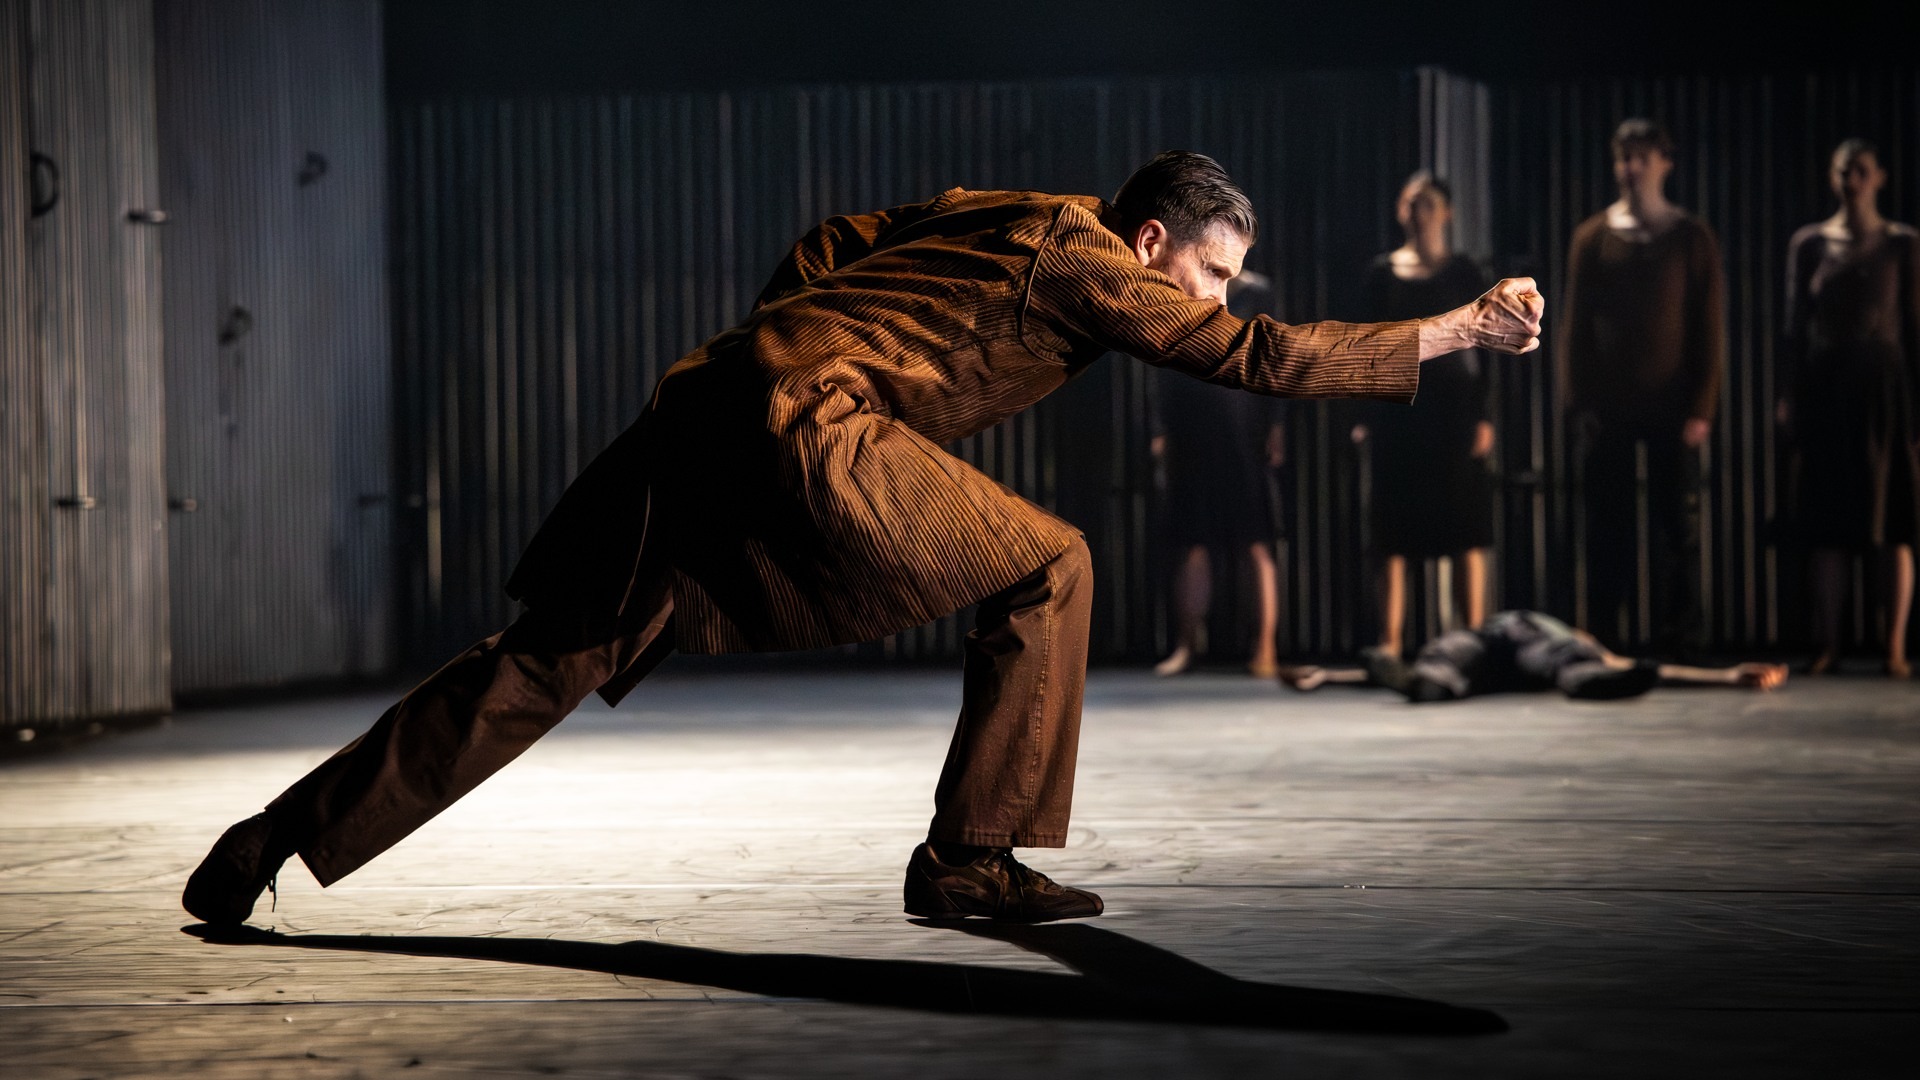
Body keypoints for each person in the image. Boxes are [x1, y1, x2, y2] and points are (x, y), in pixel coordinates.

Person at [183, 151, 1544, 928]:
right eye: (1206, 269)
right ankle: (966, 859)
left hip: (710, 402)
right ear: (1151, 242)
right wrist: (1455, 330)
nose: (1210, 298)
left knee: (542, 662)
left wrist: (787, 335)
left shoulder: (1010, 210)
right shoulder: (1097, 266)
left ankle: (270, 840)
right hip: (797, 415)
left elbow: (840, 231)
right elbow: (1256, 354)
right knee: (1051, 563)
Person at [1561, 119, 1725, 654]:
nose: (1630, 168)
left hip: (1672, 403)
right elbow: (1574, 326)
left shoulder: (1690, 236)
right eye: (1622, 157)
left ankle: (1680, 636)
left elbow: (1708, 326)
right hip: (1609, 404)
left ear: (1664, 163)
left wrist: (1701, 405)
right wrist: (1578, 401)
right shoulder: (1592, 237)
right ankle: (1607, 635)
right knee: (1607, 525)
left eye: (1641, 157)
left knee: (1678, 524)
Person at [1780, 139, 1920, 678]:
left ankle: (1895, 648)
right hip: (1827, 388)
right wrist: (1789, 396)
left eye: (1860, 171)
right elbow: (1794, 328)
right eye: (1843, 171)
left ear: (1879, 176)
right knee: (1827, 523)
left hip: (1885, 390)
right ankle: (1829, 645)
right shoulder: (1811, 243)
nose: (1851, 180)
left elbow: (1914, 326)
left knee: (1893, 521)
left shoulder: (1901, 243)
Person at [1352, 172, 1496, 658]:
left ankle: (1473, 641)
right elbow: (1362, 346)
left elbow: (1488, 347)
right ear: (1400, 211)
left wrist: (1484, 416)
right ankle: (1389, 643)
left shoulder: (1465, 273)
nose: (1420, 212)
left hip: (1454, 414)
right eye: (1411, 202)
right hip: (1398, 413)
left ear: (1447, 212)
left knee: (1465, 525)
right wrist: (1365, 414)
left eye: (1429, 203)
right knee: (1392, 529)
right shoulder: (1380, 274)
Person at [1151, 271, 1287, 678]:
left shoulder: (1258, 292)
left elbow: (1274, 356)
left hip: (1244, 429)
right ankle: (1186, 645)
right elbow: (1162, 358)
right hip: (1191, 430)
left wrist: (1276, 426)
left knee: (1256, 542)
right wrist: (1161, 428)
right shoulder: (1182, 289)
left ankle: (1265, 648)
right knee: (1192, 541)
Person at [1279, 610, 1787, 701]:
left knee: (1572, 667)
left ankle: (1587, 685)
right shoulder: (1502, 623)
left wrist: (1723, 677)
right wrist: (1326, 676)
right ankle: (1418, 684)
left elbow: (1620, 662)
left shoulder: (1567, 635)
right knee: (1437, 668)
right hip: (1482, 646)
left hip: (1533, 655)